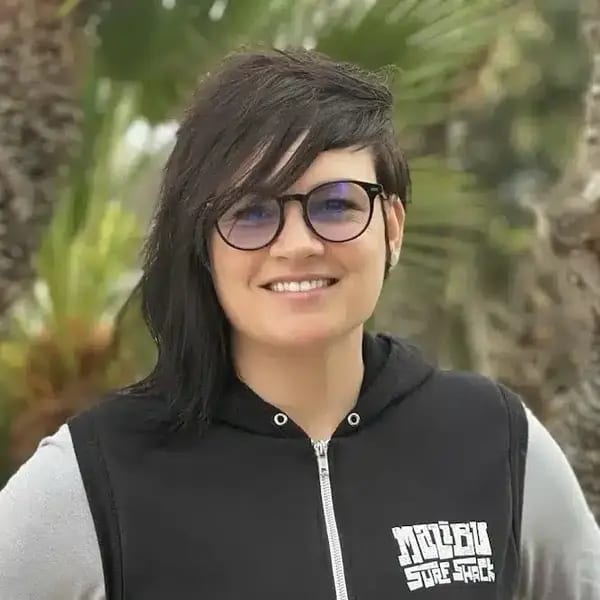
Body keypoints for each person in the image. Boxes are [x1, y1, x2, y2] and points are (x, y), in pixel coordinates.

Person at [1, 47, 599, 600]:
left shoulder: (494, 439)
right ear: (203, 245)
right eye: (251, 212)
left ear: (392, 226)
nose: (298, 245)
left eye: (336, 204)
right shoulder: (100, 472)